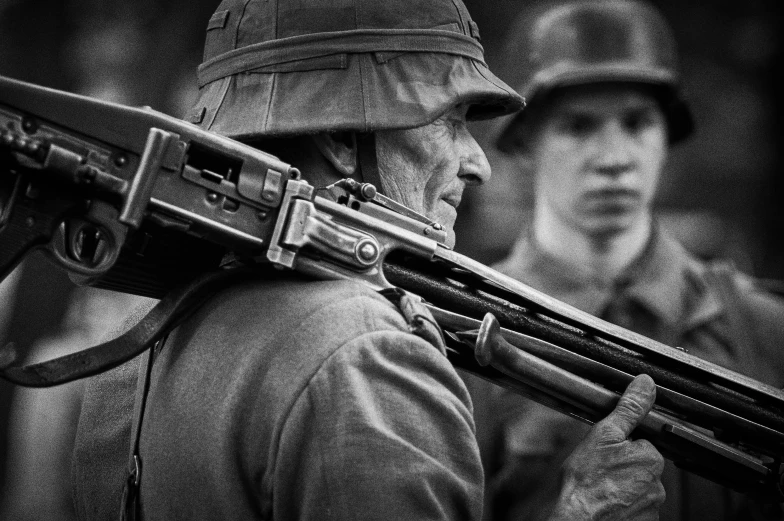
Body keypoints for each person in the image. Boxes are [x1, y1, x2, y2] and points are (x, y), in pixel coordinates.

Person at [70, 0, 667, 519]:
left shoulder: (133, 348)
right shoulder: (369, 353)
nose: (477, 163)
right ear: (340, 139)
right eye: (451, 121)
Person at [477, 1, 784, 520]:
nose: (614, 158)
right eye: (577, 126)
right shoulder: (472, 336)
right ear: (524, 142)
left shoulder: (763, 329)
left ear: (667, 136)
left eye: (637, 122)